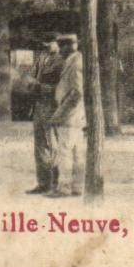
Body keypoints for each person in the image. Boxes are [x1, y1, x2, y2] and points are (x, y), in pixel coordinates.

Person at [48, 33, 86, 197]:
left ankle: (64, 188)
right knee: (77, 152)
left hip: (70, 115)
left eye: (61, 47)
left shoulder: (75, 63)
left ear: (67, 47)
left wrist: (60, 113)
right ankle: (77, 187)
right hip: (76, 115)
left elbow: (77, 92)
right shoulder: (74, 61)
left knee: (65, 152)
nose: (59, 51)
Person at [26, 34, 64, 194]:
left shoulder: (62, 61)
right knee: (40, 146)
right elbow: (30, 76)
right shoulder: (41, 58)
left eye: (50, 43)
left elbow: (62, 88)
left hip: (52, 106)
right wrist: (30, 83)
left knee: (53, 145)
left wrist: (40, 86)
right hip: (39, 105)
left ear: (58, 43)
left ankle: (56, 183)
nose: (47, 46)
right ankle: (43, 183)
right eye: (45, 43)